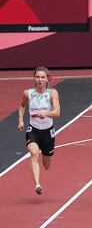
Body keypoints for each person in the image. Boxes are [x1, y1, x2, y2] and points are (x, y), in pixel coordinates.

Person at [17, 67, 60, 195]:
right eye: (37, 77)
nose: (40, 80)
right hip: (33, 130)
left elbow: (57, 113)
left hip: (48, 132)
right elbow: (22, 105)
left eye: (43, 77)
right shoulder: (28, 93)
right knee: (34, 153)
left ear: (47, 79)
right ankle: (37, 184)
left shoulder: (52, 93)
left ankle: (43, 156)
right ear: (34, 78)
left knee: (47, 166)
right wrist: (20, 120)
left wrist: (46, 113)